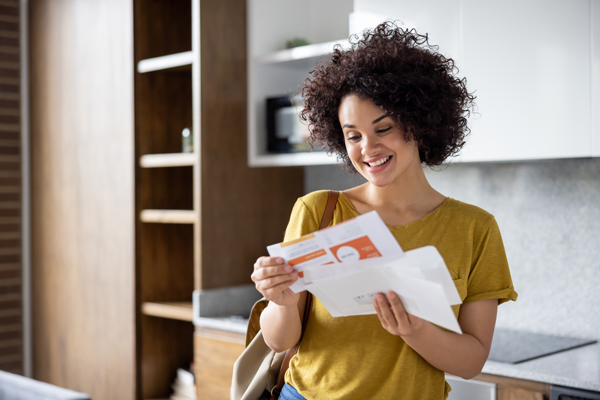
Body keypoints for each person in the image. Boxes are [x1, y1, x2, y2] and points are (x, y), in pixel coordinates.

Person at [251, 21, 517, 400]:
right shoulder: (318, 210)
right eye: (353, 136)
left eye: (384, 128)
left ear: (420, 123)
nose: (367, 148)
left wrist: (413, 329)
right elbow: (281, 340)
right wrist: (282, 302)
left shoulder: (475, 228)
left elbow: (471, 361)